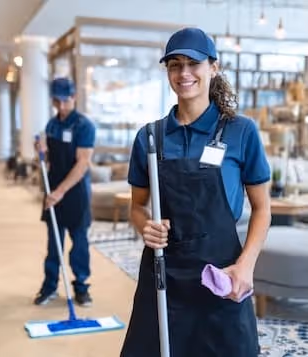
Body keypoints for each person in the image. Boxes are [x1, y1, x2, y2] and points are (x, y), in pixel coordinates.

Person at [120, 28, 271, 356]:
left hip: (221, 274)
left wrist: (246, 265)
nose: (184, 73)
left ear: (213, 67)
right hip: (164, 273)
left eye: (193, 63)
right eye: (175, 65)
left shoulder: (241, 131)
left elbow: (262, 209)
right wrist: (144, 226)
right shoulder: (149, 137)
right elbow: (137, 207)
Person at [34, 78, 96, 307]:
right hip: (53, 192)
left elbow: (82, 164)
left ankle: (81, 287)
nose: (61, 106)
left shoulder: (84, 126)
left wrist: (60, 192)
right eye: (56, 101)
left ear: (74, 97)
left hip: (75, 192)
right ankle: (50, 286)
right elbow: (48, 161)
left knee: (79, 243)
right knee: (54, 244)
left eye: (65, 101)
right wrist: (40, 152)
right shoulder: (51, 125)